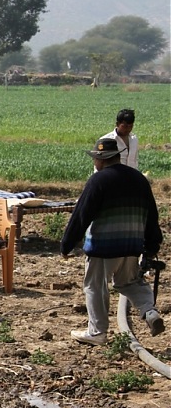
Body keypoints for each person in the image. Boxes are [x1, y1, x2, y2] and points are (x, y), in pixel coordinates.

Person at [61, 137, 164, 345]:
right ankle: (149, 311)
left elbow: (82, 215)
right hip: (132, 245)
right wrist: (152, 245)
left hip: (103, 247)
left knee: (95, 286)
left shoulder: (98, 180)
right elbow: (151, 216)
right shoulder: (139, 180)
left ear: (101, 159)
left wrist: (67, 244)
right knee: (129, 281)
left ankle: (97, 331)